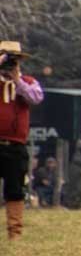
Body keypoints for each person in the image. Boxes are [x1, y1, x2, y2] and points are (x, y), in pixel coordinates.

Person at [0, 42, 42, 238]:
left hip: (15, 145)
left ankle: (14, 232)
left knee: (15, 188)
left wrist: (17, 80)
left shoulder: (27, 81)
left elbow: (36, 98)